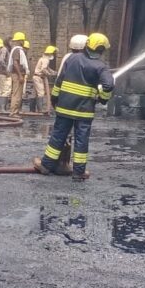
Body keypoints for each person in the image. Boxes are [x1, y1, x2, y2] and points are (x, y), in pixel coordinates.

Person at [34, 33, 114, 181]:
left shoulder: (71, 59)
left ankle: (46, 165)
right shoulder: (101, 67)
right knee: (81, 141)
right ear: (102, 50)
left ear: (87, 45)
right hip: (84, 112)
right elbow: (108, 85)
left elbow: (59, 81)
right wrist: (102, 98)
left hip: (64, 108)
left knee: (58, 136)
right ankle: (78, 173)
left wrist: (54, 99)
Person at [7, 31, 29, 118]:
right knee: (16, 94)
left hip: (18, 74)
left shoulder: (17, 50)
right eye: (22, 40)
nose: (23, 42)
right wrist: (20, 75)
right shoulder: (17, 50)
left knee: (18, 94)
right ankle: (13, 112)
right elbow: (15, 63)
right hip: (17, 75)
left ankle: (15, 111)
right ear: (20, 41)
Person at [33, 45, 58, 113]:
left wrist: (53, 72)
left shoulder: (43, 58)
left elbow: (47, 68)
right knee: (41, 93)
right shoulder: (46, 60)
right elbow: (43, 69)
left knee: (35, 94)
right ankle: (40, 110)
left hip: (37, 77)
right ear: (50, 53)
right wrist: (49, 74)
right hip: (38, 77)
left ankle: (33, 109)